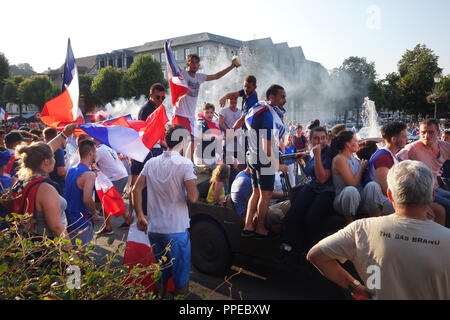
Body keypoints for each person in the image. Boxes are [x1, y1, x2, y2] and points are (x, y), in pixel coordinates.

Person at [307, 160, 450, 300]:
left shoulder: (361, 229)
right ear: (432, 196)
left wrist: (355, 287)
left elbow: (316, 255)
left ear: (389, 194)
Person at [134, 125, 199, 298]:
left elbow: (135, 189)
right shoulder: (185, 164)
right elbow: (193, 197)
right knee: (181, 281)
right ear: (183, 142)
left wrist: (140, 215)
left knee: (160, 275)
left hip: (154, 229)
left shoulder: (151, 162)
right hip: (176, 230)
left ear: (167, 141)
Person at [277, 127, 336, 261]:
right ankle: (289, 246)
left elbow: (322, 178)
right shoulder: (312, 152)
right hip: (314, 187)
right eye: (316, 138)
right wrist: (305, 159)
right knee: (294, 212)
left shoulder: (328, 153)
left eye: (322, 138)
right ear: (310, 140)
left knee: (312, 217)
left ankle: (313, 253)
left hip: (327, 190)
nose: (320, 141)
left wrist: (317, 156)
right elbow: (312, 172)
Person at [242, 85, 288, 239]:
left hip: (252, 157)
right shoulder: (268, 116)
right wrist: (278, 165)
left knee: (256, 193)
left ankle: (248, 225)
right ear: (271, 97)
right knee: (265, 195)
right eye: (281, 96)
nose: (284, 100)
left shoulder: (259, 109)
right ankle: (260, 228)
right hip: (264, 160)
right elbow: (267, 148)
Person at [172, 53, 238, 158]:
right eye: (191, 62)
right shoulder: (183, 74)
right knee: (180, 141)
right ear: (187, 64)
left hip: (190, 115)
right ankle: (176, 161)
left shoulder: (199, 77)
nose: (194, 64)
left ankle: (189, 163)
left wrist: (232, 66)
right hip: (180, 113)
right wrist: (168, 51)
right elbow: (173, 66)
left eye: (196, 63)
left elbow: (216, 76)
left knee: (194, 140)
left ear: (198, 65)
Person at [9, 142, 71, 247]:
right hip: (47, 246)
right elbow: (56, 227)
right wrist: (70, 252)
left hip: (27, 243)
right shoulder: (45, 189)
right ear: (46, 161)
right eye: (53, 156)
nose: (55, 160)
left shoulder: (21, 182)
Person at [127, 83, 168, 226]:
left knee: (138, 186)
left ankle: (131, 215)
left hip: (144, 152)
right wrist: (166, 145)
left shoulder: (157, 108)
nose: (160, 100)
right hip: (144, 152)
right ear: (151, 95)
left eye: (163, 98)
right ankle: (135, 215)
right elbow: (147, 135)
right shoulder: (146, 110)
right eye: (158, 97)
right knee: (139, 186)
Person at [397, 119, 450, 225]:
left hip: (435, 188)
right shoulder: (411, 148)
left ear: (438, 133)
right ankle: (443, 238)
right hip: (420, 193)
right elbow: (395, 167)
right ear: (419, 133)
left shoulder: (445, 146)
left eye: (431, 132)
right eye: (423, 133)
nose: (426, 136)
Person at [331, 131, 379, 223]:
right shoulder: (340, 159)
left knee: (373, 185)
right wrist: (361, 168)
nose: (358, 143)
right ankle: (350, 226)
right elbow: (352, 183)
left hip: (360, 198)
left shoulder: (354, 158)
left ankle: (376, 222)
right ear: (348, 145)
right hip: (343, 200)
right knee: (351, 190)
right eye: (356, 141)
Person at [64, 139, 97, 247]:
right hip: (81, 220)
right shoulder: (89, 175)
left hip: (69, 218)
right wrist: (95, 213)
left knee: (73, 255)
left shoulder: (71, 169)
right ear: (91, 153)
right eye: (95, 152)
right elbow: (87, 199)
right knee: (82, 256)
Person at [93, 139, 129, 236]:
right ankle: (127, 220)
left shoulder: (98, 151)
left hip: (116, 177)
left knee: (107, 201)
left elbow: (91, 165)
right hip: (120, 175)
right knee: (113, 201)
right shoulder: (106, 147)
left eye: (93, 138)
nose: (92, 140)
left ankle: (109, 228)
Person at [42, 127, 67, 193]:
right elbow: (61, 172)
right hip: (57, 184)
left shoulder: (41, 149)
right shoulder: (58, 150)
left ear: (45, 137)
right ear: (56, 136)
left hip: (44, 183)